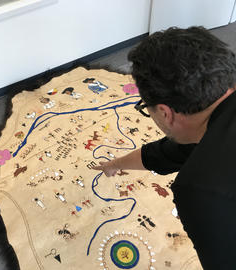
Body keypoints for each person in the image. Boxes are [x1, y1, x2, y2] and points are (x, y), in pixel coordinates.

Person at [93, 26, 236, 269]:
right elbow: (169, 154)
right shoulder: (218, 120)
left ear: (164, 112)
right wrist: (114, 165)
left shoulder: (200, 189)